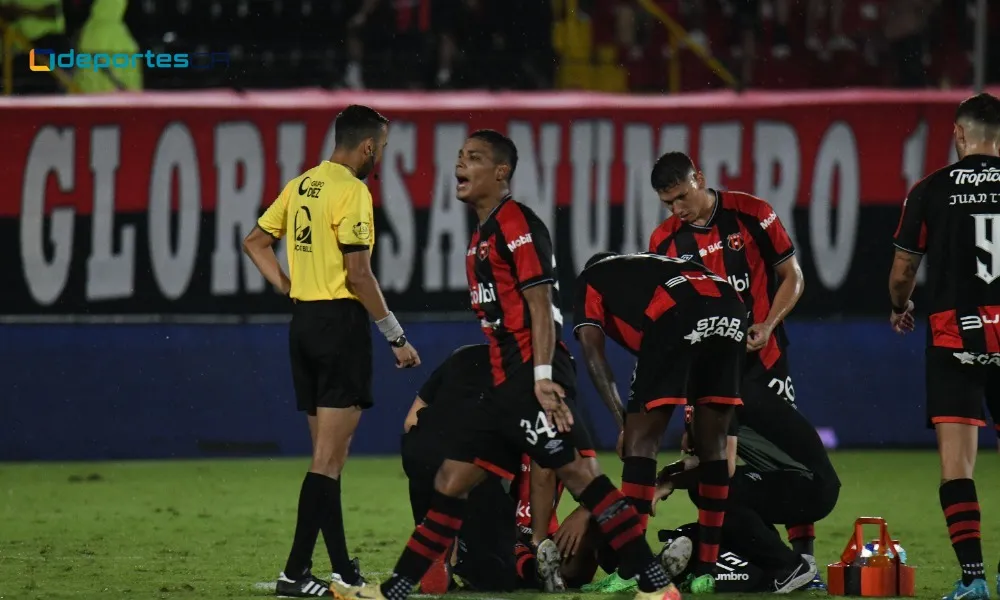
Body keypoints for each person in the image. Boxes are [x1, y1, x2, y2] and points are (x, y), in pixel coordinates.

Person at [363, 130, 681, 600]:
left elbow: (541, 303)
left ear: (501, 171)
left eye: (473, 158)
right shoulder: (480, 239)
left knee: (581, 478)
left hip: (532, 376)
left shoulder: (517, 224)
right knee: (451, 481)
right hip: (503, 384)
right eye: (458, 156)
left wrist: (543, 377)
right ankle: (396, 588)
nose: (460, 165)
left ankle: (656, 586)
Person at [242, 104, 421, 599]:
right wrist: (396, 337)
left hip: (303, 323)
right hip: (339, 326)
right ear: (367, 146)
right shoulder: (353, 191)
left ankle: (342, 568)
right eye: (380, 148)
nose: (379, 157)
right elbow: (359, 275)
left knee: (328, 458)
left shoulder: (302, 184)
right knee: (327, 461)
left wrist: (287, 285)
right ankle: (295, 573)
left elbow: (255, 241)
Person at [647, 152, 815, 563]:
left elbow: (792, 275)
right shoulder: (663, 242)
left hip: (764, 359)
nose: (678, 210)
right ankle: (733, 551)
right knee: (716, 460)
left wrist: (768, 324)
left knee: (786, 457)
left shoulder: (753, 213)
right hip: (710, 371)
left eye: (683, 197)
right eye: (669, 203)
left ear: (699, 178)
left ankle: (804, 558)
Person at [574, 251, 746, 594]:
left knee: (642, 442)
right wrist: (689, 417)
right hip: (732, 306)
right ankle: (706, 573)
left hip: (675, 309)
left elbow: (593, 352)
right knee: (713, 446)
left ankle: (631, 571)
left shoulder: (591, 279)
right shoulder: (648, 268)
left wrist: (623, 422)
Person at [889, 92, 1000, 600]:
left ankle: (973, 579)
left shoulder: (931, 189)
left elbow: (902, 273)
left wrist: (900, 304)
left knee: (956, 464)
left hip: (956, 333)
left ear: (959, 134)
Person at [652, 400, 836, 593]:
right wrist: (677, 470)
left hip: (811, 485)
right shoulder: (711, 391)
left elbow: (724, 468)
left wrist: (672, 483)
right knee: (709, 487)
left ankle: (789, 566)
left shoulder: (725, 391)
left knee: (715, 488)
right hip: (787, 476)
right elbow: (712, 458)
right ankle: (760, 563)